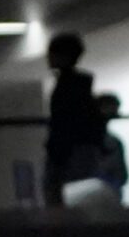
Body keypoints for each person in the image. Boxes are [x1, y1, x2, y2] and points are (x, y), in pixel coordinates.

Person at [41, 32, 100, 206]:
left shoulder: (69, 86)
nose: (48, 58)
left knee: (62, 195)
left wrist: (58, 150)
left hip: (70, 150)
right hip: (74, 148)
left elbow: (66, 121)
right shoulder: (77, 84)